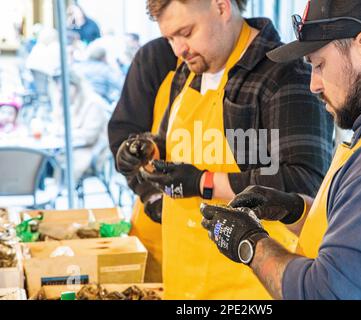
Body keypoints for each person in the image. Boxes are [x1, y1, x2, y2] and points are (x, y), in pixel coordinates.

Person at [201, 0, 361, 300]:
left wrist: (249, 244)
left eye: (319, 65)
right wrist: (294, 210)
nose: (313, 85)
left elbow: (329, 293)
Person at [115, 0, 333, 299]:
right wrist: (148, 149)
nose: (179, 49)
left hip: (250, 288)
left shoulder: (282, 74)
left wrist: (204, 183)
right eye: (170, 38)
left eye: (186, 32)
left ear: (221, 6)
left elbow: (304, 182)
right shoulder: (191, 69)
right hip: (185, 282)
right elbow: (174, 143)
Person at [108, 37, 179, 282]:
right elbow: (122, 134)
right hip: (158, 227)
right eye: (174, 35)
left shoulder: (260, 65)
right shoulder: (156, 58)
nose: (182, 46)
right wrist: (151, 193)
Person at [52, 71, 109, 183]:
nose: (61, 93)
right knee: (46, 160)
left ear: (74, 86)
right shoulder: (70, 103)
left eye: (64, 90)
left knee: (57, 161)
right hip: (73, 148)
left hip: (92, 152)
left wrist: (62, 132)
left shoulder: (93, 103)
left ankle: (61, 190)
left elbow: (89, 136)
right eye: (59, 91)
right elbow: (57, 124)